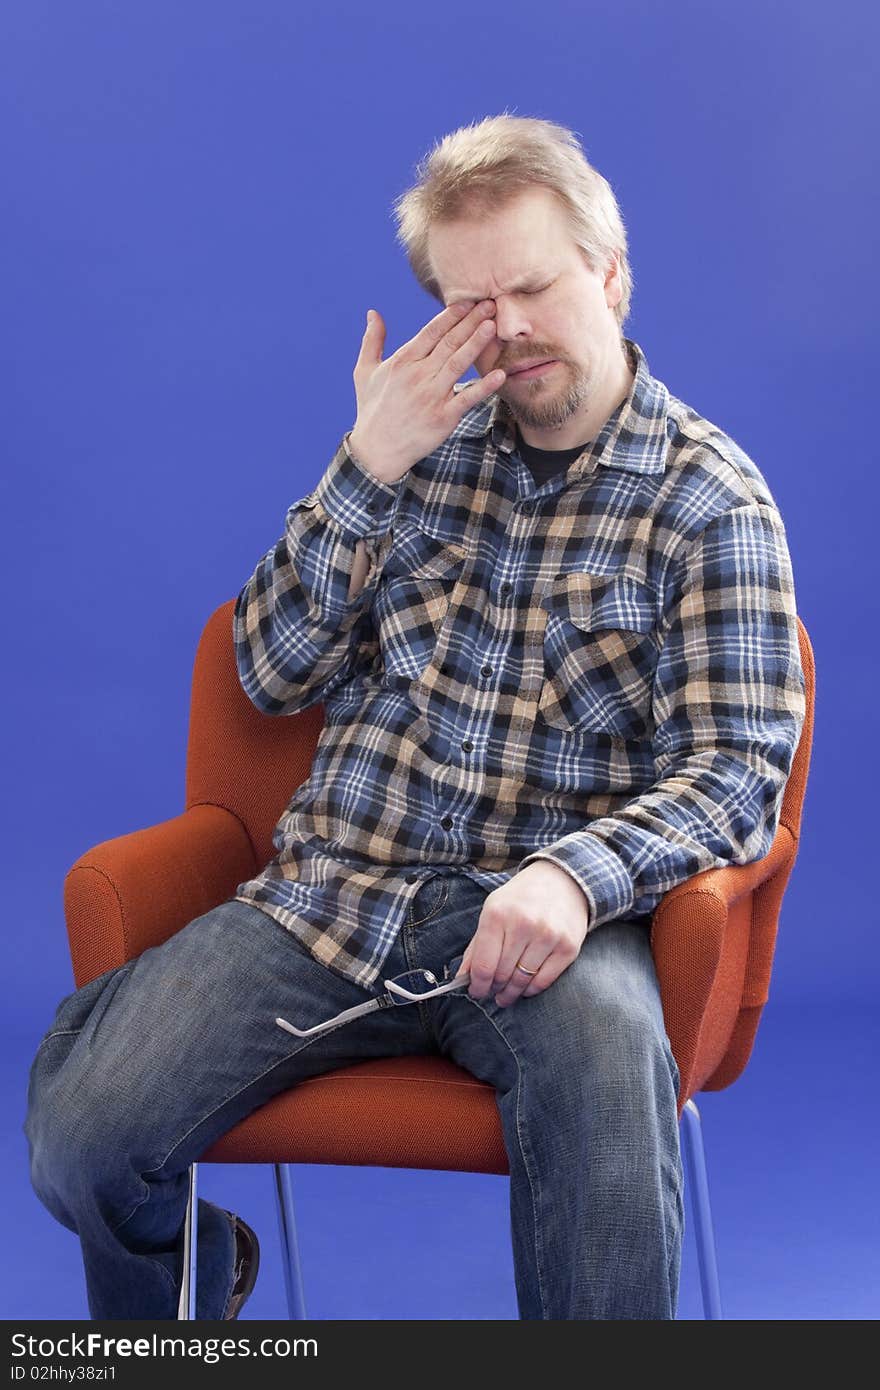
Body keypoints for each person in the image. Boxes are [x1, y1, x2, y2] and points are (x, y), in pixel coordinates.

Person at [24, 113, 806, 1321]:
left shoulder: (711, 500)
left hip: (550, 927)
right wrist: (364, 466)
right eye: (470, 300)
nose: (509, 329)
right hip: (340, 895)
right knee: (80, 1133)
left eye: (535, 285)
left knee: (605, 1140)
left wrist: (573, 878)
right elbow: (270, 675)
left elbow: (736, 774)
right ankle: (190, 1297)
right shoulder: (418, 445)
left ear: (608, 272)